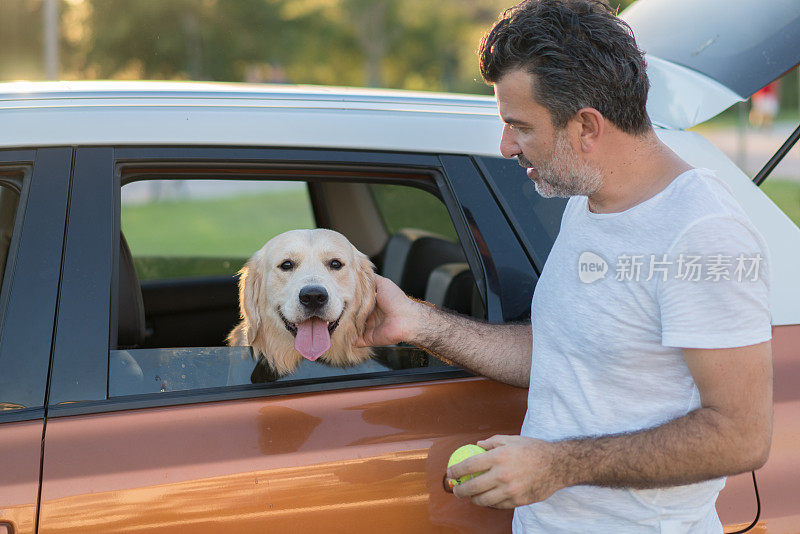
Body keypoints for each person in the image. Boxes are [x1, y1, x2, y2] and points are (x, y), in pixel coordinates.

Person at [357, 0, 773, 532]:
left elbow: (739, 435)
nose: (505, 145)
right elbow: (562, 353)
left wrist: (556, 466)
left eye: (519, 126)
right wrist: (417, 324)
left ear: (586, 128)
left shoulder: (702, 234)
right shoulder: (588, 199)